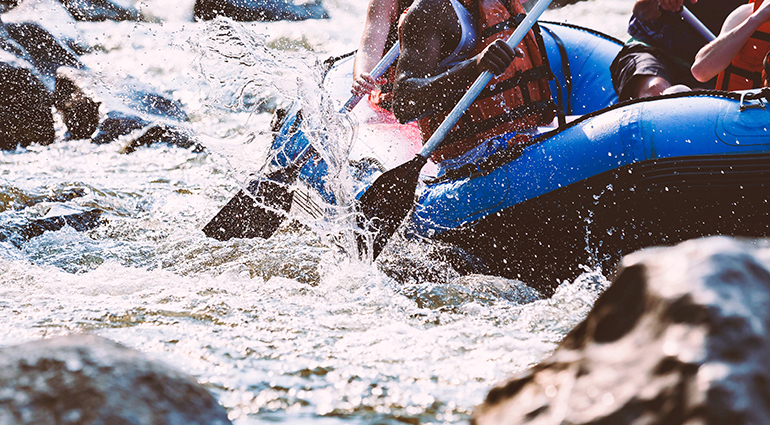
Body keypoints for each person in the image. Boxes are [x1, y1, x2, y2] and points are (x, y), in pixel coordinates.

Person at [390, 0, 556, 167]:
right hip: (470, 162)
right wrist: (475, 66)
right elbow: (403, 104)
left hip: (525, 139)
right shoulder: (430, 9)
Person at [610, 0, 744, 100]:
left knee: (697, 100)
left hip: (711, 66)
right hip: (654, 50)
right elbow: (641, 10)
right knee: (656, 90)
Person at [691, 0, 770, 90]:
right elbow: (700, 71)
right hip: (738, 102)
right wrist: (757, 18)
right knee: (679, 90)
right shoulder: (747, 13)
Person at [351, 0, 412, 108]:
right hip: (390, 100)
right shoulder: (385, 2)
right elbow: (368, 52)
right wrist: (363, 76)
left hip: (438, 99)